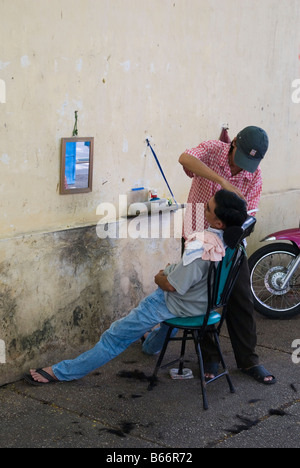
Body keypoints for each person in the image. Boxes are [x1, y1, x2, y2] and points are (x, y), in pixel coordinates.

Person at [24, 190, 247, 385]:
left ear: (219, 223)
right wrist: (176, 270)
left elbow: (172, 286)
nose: (204, 209)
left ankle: (62, 372)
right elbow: (195, 277)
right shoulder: (235, 245)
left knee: (114, 338)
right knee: (160, 324)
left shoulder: (202, 247)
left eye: (208, 208)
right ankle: (150, 346)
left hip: (176, 303)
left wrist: (160, 276)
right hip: (202, 306)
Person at [152, 125, 275, 385]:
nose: (242, 169)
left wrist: (231, 238)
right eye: (240, 160)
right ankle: (210, 359)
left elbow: (249, 215)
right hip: (196, 237)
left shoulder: (255, 175)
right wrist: (222, 181)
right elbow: (184, 158)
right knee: (202, 299)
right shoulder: (212, 150)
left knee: (240, 299)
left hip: (228, 243)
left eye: (249, 164)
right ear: (232, 146)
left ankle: (249, 360)